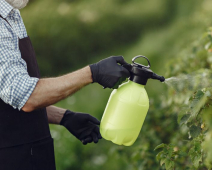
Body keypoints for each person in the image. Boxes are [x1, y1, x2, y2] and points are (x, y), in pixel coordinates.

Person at [0, 0, 130, 169]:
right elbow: (28, 96)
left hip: (31, 155)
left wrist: (64, 117)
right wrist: (92, 73)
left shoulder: (11, 15)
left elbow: (10, 96)